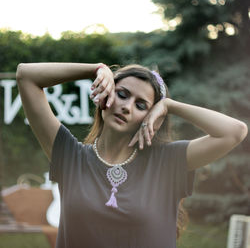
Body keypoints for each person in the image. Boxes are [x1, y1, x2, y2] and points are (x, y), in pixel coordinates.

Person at [16, 62, 248, 248]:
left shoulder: (167, 162)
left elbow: (234, 132)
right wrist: (96, 69)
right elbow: (26, 75)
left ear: (152, 118)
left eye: (141, 105)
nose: (127, 106)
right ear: (105, 94)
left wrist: (169, 105)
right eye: (122, 94)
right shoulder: (70, 156)